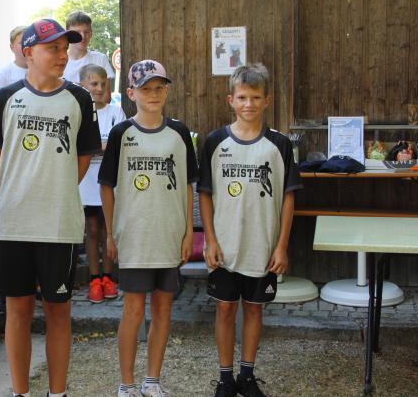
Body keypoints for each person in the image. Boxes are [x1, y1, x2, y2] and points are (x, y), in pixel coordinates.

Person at [0, 18, 100, 397]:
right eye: (53, 48)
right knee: (17, 311)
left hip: (59, 223)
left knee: (58, 310)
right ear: (28, 52)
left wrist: (54, 188)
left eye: (65, 48)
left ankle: (57, 392)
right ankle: (20, 392)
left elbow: (82, 158)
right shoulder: (3, 98)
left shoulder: (79, 98)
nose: (62, 55)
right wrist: (14, 194)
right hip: (13, 224)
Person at [198, 63, 301, 397]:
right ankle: (225, 378)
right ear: (231, 99)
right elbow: (205, 193)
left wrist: (281, 245)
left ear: (267, 100)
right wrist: (210, 240)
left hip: (262, 246)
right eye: (242, 97)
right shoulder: (215, 142)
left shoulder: (280, 145)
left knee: (254, 309)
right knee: (225, 309)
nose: (248, 104)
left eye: (255, 97)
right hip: (225, 247)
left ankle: (246, 375)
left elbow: (288, 198)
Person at [99, 59, 198, 397]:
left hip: (169, 234)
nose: (153, 94)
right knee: (133, 309)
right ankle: (126, 383)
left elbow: (187, 185)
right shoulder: (121, 133)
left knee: (163, 308)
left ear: (167, 90)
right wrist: (112, 233)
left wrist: (187, 232)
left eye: (159, 87)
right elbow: (107, 185)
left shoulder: (180, 132)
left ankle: (152, 380)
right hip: (135, 236)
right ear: (131, 93)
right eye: (145, 89)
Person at [77, 64, 125, 303]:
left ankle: (108, 277)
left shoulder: (116, 112)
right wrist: (97, 148)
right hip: (85, 181)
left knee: (109, 231)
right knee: (92, 231)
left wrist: (93, 148)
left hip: (108, 181)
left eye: (102, 84)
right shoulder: (78, 112)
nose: (98, 88)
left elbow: (119, 146)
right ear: (82, 85)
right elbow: (77, 147)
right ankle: (94, 278)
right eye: (93, 84)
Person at [63, 11, 114, 101]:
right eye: (77, 32)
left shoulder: (100, 59)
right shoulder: (59, 60)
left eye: (86, 32)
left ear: (91, 34)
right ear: (68, 34)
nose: (82, 36)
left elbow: (106, 98)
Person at [0, 26, 27, 90]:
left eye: (28, 42)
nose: (26, 45)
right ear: (12, 47)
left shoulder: (42, 71)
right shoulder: (3, 74)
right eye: (21, 43)